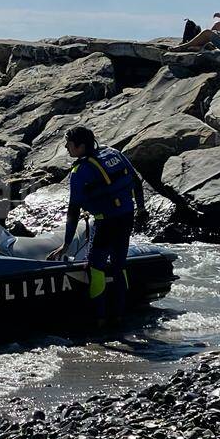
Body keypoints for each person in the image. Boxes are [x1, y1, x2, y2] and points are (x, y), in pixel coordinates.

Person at [48, 127, 148, 323]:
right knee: (119, 266)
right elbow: (136, 181)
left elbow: (74, 209)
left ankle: (99, 318)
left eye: (69, 144)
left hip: (106, 222)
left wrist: (66, 244)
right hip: (127, 217)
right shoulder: (114, 153)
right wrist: (141, 209)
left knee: (96, 268)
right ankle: (120, 315)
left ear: (81, 146)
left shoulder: (80, 171)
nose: (66, 148)